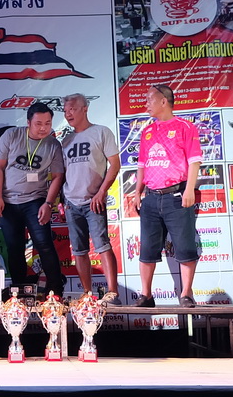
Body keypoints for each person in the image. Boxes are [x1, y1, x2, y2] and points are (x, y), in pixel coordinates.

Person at [123, 84, 203, 307]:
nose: (146, 103)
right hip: (151, 197)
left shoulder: (186, 127)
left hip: (176, 195)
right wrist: (137, 192)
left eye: (150, 99)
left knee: (185, 247)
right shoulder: (147, 131)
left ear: (163, 101)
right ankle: (146, 295)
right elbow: (141, 165)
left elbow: (194, 161)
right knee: (147, 249)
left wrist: (189, 189)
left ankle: (186, 294)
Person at [0, 101, 65, 297]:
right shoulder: (11, 136)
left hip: (35, 201)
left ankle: (55, 291)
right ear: (28, 122)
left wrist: (48, 204)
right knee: (14, 248)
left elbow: (57, 176)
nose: (43, 128)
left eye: (48, 123)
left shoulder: (53, 144)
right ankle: (19, 292)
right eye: (38, 123)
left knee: (44, 245)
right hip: (8, 201)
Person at [61, 93, 121, 300]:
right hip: (71, 202)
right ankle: (87, 295)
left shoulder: (101, 132)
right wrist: (62, 200)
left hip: (94, 200)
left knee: (103, 245)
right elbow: (62, 173)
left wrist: (102, 192)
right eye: (65, 110)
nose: (68, 114)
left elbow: (115, 164)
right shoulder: (65, 140)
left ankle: (112, 293)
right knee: (79, 250)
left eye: (72, 109)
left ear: (85, 109)